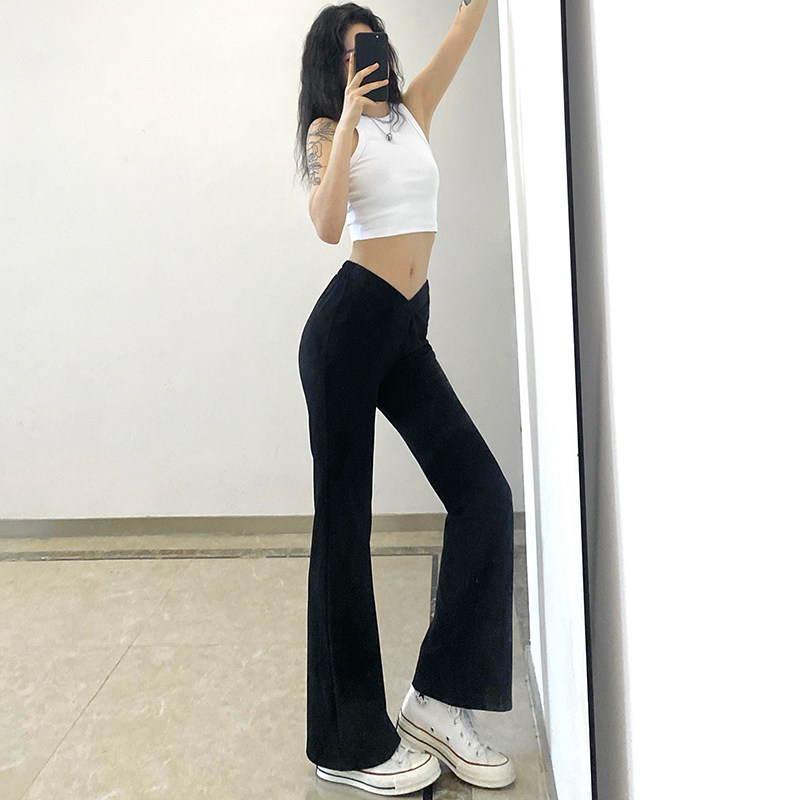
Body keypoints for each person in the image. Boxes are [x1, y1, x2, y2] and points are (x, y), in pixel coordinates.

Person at [295, 2, 516, 795]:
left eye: (377, 43)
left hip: (403, 328)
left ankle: (437, 702)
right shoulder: (332, 132)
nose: (375, 59)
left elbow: (461, 30)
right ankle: (346, 742)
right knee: (344, 527)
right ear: (334, 67)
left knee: (485, 496)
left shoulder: (414, 110)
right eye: (355, 51)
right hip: (348, 331)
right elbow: (327, 227)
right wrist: (350, 120)